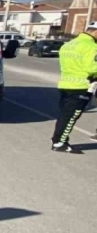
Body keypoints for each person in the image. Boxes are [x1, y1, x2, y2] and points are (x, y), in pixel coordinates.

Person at [51, 22, 97, 154]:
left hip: (65, 84)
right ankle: (60, 143)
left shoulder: (69, 45)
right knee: (71, 117)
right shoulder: (91, 46)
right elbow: (92, 68)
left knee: (64, 115)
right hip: (81, 86)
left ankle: (57, 140)